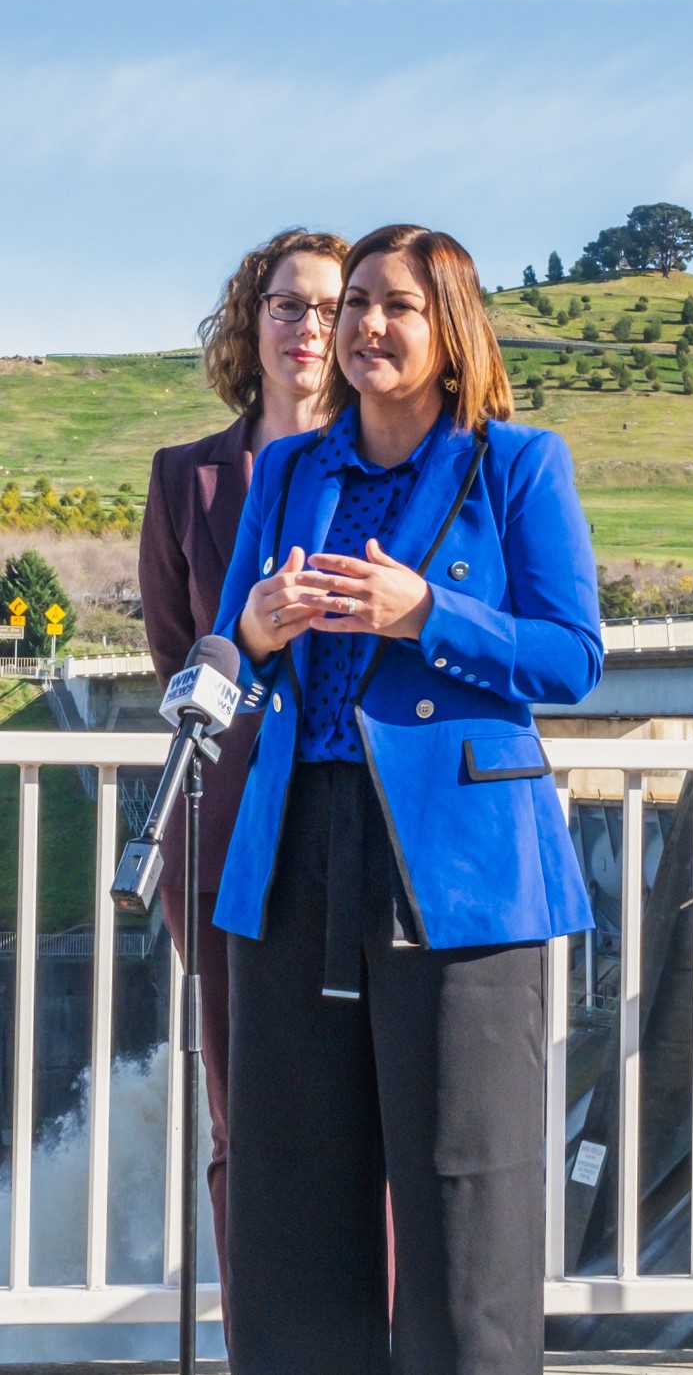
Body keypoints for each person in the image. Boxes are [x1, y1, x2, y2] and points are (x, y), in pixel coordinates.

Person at [212, 223, 602, 1374]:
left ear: (450, 332)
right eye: (353, 306)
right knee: (290, 1190)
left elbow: (572, 657)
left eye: (397, 306)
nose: (364, 327)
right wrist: (257, 631)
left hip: (459, 867)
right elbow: (229, 648)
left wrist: (426, 610)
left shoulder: (517, 463)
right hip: (293, 851)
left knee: (461, 1195)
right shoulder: (288, 470)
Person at [138, 227, 347, 1312]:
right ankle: (261, 1337)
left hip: (358, 812)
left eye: (329, 307)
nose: (308, 327)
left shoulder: (394, 471)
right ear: (249, 322)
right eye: (286, 305)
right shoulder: (186, 481)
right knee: (245, 1107)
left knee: (366, 1105)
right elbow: (180, 654)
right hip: (223, 825)